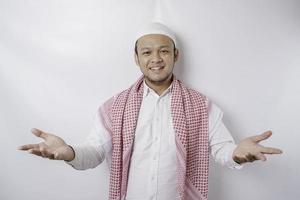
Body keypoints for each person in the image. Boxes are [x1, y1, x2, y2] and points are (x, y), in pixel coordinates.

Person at [18, 22, 282, 200]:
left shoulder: (201, 106)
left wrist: (238, 153)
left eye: (163, 51)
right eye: (147, 52)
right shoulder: (115, 106)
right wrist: (69, 153)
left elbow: (223, 150)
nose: (155, 58)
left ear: (175, 55)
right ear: (137, 58)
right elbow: (95, 151)